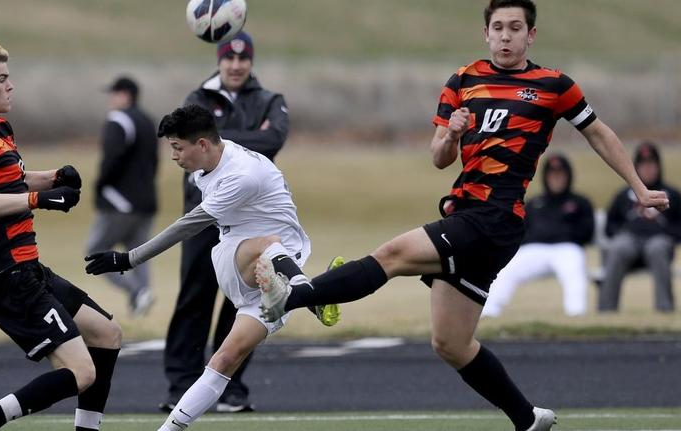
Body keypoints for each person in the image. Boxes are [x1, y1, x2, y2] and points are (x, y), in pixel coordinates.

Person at [254, 1, 670, 430]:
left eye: (515, 28)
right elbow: (439, 158)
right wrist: (451, 133)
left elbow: (598, 133)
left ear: (531, 35)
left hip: (495, 219)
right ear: (486, 33)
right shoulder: (463, 80)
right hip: (468, 213)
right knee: (451, 343)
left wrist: (638, 188)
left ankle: (295, 298)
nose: (505, 36)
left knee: (393, 255)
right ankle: (527, 419)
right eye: (497, 28)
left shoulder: (553, 85)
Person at [84, 104, 339, 431]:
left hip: (270, 266)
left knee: (222, 362)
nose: (174, 156)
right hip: (243, 261)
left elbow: (187, 225)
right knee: (267, 244)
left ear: (202, 144)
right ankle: (304, 291)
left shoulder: (240, 175)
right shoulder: (210, 165)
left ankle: (167, 430)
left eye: (177, 147)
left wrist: (129, 258)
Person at [0, 39, 122, 431]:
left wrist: (53, 178)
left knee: (107, 334)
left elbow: (6, 179)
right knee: (83, 372)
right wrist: (40, 199)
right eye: (3, 79)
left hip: (28, 269)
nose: (11, 86)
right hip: (7, 277)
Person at [161, 31, 290, 413]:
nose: (236, 66)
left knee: (246, 302)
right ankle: (180, 385)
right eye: (229, 59)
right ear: (219, 59)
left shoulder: (270, 100)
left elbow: (275, 140)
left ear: (250, 62)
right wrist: (247, 137)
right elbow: (197, 141)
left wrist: (216, 138)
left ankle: (229, 387)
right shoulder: (198, 98)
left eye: (243, 59)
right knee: (194, 298)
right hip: (204, 218)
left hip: (248, 222)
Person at [482, 153, 594, 317]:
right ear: (545, 177)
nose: (556, 179)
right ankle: (489, 312)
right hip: (534, 249)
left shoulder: (579, 203)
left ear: (568, 176)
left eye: (560, 174)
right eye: (552, 174)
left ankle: (576, 313)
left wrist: (564, 234)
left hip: (567, 248)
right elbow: (520, 231)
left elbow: (587, 232)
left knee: (574, 269)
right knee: (507, 269)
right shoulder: (534, 204)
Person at [85, 76, 159, 317]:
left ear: (125, 95)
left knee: (95, 253)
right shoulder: (148, 121)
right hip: (147, 202)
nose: (110, 99)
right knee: (138, 255)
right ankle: (141, 304)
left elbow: (111, 160)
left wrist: (100, 187)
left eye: (114, 93)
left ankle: (137, 292)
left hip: (120, 202)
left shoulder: (118, 120)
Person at [598, 142, 681, 312]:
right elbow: (610, 226)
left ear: (658, 166)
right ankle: (606, 310)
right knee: (618, 247)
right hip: (630, 242)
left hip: (660, 243)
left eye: (652, 164)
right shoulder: (624, 195)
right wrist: (622, 233)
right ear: (635, 167)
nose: (648, 169)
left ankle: (665, 309)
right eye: (643, 165)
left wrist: (668, 233)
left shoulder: (670, 194)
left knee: (657, 247)